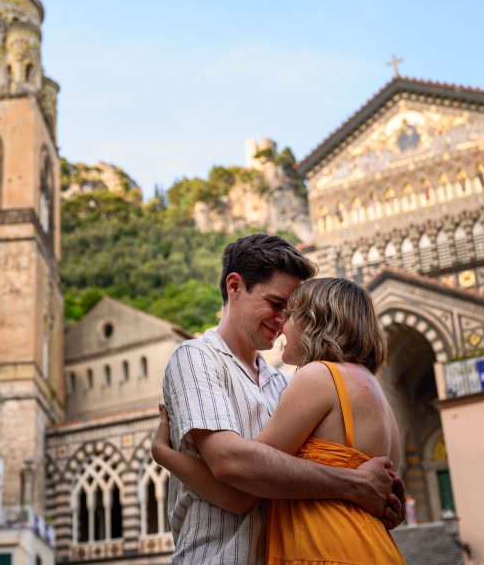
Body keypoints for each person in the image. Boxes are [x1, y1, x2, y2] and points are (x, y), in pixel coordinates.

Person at [158, 234, 402, 564]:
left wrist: (163, 453)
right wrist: (355, 484)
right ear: (234, 287)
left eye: (291, 312)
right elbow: (233, 468)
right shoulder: (197, 358)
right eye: (276, 304)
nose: (282, 321)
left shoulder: (287, 382)